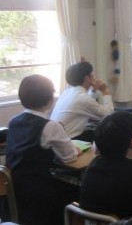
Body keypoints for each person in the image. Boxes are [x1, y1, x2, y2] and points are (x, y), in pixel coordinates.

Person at [6, 74, 80, 225]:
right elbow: (69, 157)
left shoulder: (13, 121)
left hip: (13, 188)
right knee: (79, 190)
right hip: (38, 192)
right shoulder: (50, 126)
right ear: (50, 99)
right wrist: (76, 150)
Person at [50, 60, 113, 140]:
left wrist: (94, 90)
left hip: (58, 138)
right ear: (87, 78)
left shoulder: (67, 92)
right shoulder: (82, 98)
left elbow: (86, 103)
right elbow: (109, 114)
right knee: (110, 132)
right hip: (69, 141)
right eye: (92, 74)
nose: (95, 76)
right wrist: (105, 91)